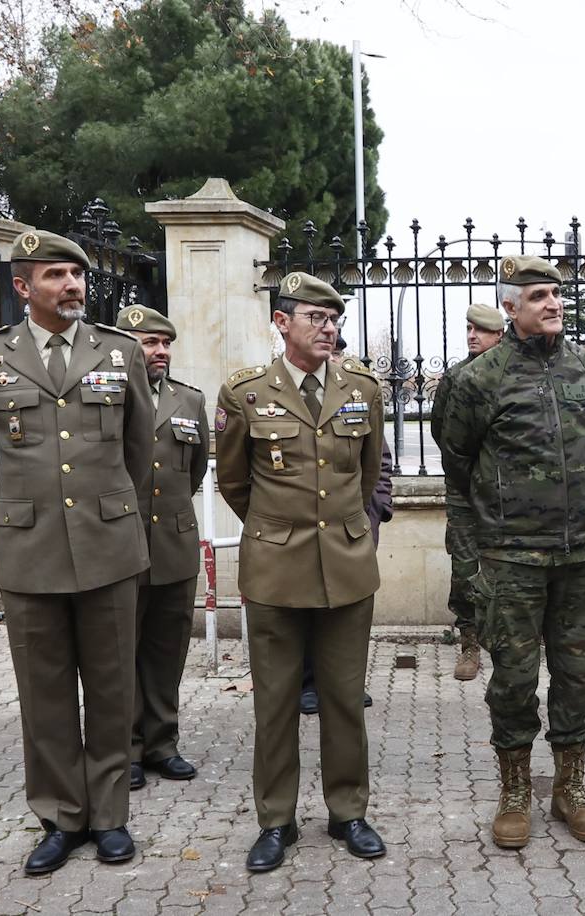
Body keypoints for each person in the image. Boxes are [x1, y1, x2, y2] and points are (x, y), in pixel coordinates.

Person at [0, 230, 155, 874]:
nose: (73, 284)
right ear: (22, 287)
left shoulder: (119, 351)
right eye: (55, 275)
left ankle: (109, 816)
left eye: (77, 273)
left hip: (109, 545)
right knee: (43, 693)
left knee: (110, 687)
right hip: (31, 550)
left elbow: (139, 451)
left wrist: (104, 507)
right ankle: (60, 818)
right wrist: (29, 508)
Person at [439, 255, 585, 850]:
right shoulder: (479, 378)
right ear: (510, 306)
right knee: (513, 680)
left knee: (578, 675)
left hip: (582, 554)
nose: (553, 303)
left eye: (557, 295)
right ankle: (515, 790)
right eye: (538, 295)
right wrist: (498, 523)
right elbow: (457, 459)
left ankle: (571, 786)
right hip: (513, 559)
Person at [215, 271, 386, 872]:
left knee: (343, 698)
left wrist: (339, 527)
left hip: (346, 565)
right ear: (282, 323)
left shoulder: (362, 388)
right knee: (277, 702)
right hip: (274, 571)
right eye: (316, 317)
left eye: (334, 318)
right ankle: (276, 821)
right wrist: (278, 528)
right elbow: (234, 481)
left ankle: (348, 812)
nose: (329, 327)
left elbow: (368, 475)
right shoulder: (245, 393)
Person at [117, 305, 209, 792]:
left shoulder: (188, 401)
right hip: (120, 545)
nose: (160, 352)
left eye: (166, 343)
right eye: (151, 343)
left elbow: (195, 472)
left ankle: (162, 744)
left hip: (173, 544)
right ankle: (125, 748)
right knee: (120, 650)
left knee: (167, 649)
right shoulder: (107, 397)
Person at [299, 337, 390, 715]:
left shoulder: (359, 394)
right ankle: (308, 683)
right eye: (328, 351)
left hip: (355, 525)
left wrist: (376, 509)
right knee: (306, 604)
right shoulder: (285, 397)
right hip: (302, 528)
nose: (332, 358)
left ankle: (346, 682)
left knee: (349, 606)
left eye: (337, 352)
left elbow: (379, 462)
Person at [430, 303, 505, 681]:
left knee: (510, 568)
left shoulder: (514, 375)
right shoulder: (456, 378)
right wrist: (468, 476)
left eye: (482, 330)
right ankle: (469, 643)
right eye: (469, 329)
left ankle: (507, 640)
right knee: (465, 568)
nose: (473, 336)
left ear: (500, 335)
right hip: (464, 492)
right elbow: (441, 433)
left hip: (509, 495)